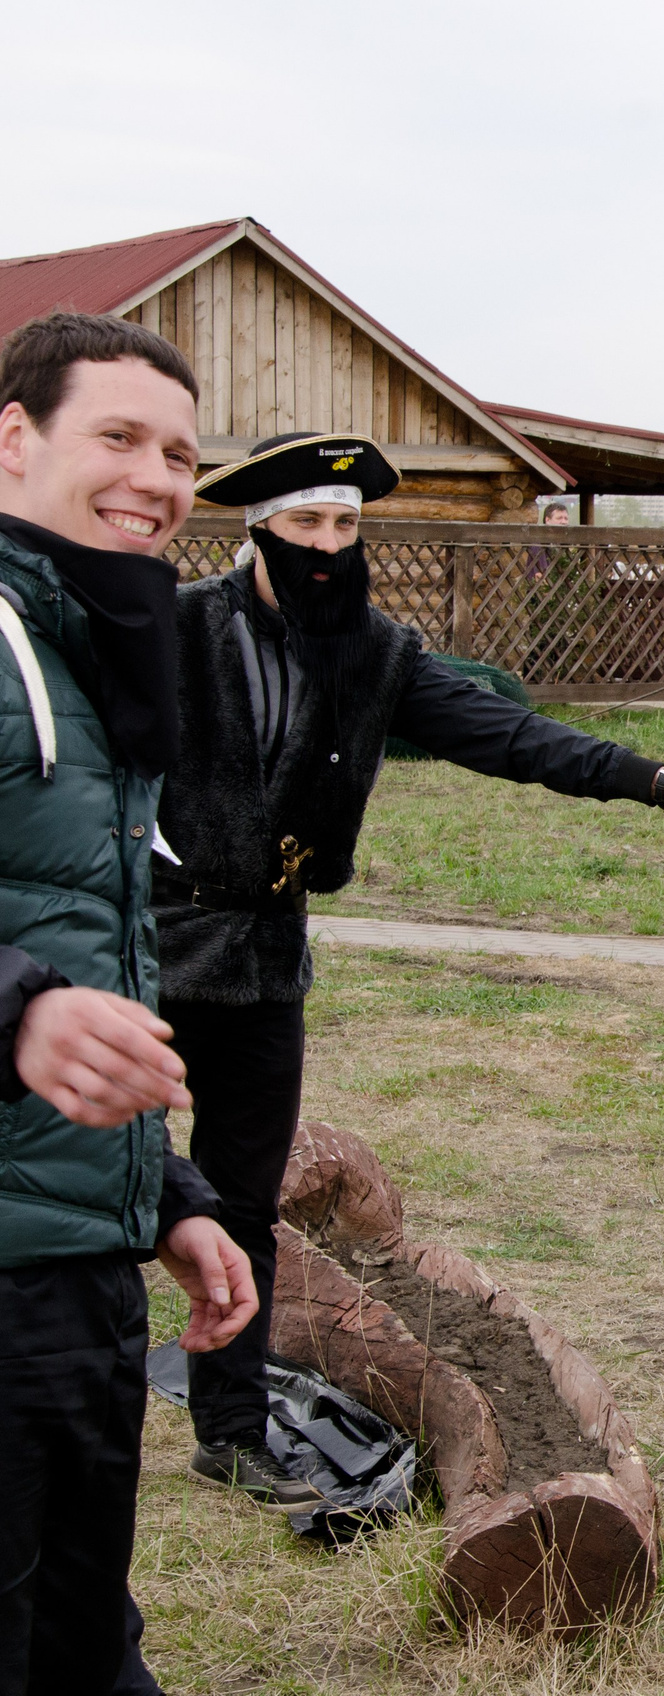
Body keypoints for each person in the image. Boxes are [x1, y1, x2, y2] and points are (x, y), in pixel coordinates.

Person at [161, 433, 664, 1507]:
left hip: (266, 957)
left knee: (243, 1199)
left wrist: (652, 778)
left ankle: (230, 1431)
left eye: (345, 526)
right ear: (258, 529)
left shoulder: (377, 652)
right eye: (305, 524)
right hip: (150, 943)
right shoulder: (177, 628)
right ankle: (65, 1403)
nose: (328, 545)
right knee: (101, 1188)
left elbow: (501, 733)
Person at [0, 311, 260, 1696]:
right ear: (14, 436)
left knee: (82, 1643)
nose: (156, 479)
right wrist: (20, 1012)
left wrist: (166, 1195)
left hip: (75, 1265)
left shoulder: (87, 647)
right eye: (119, 437)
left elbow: (64, 940)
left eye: (179, 454)